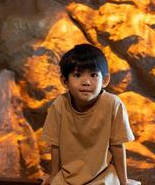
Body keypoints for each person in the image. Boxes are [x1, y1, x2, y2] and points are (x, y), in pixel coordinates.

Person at [41, 44, 136, 185]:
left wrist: (124, 182)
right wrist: (53, 176)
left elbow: (117, 146)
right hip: (68, 175)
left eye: (93, 75)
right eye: (77, 75)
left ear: (105, 80)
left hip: (103, 175)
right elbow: (56, 146)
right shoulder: (59, 105)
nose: (86, 82)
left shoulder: (113, 104)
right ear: (64, 81)